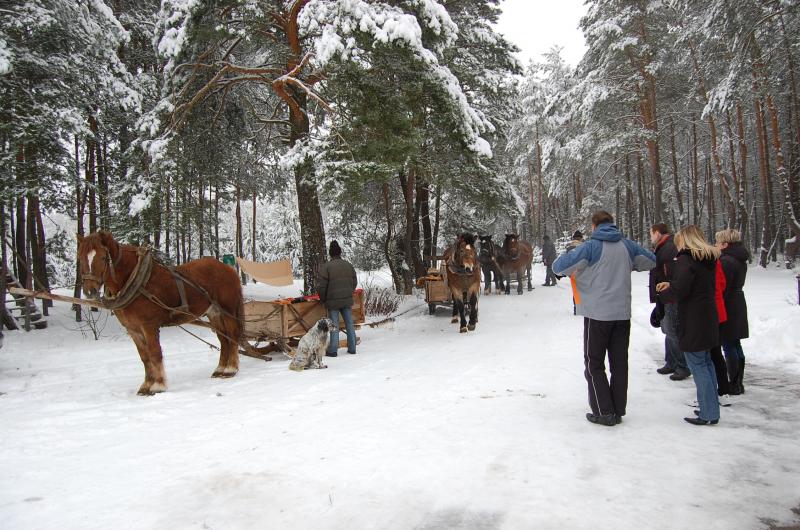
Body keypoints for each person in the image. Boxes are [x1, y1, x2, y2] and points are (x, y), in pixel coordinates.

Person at [553, 211, 656, 427]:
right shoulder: (627, 245)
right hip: (622, 313)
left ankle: (604, 411)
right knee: (619, 363)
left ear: (594, 226)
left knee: (594, 362)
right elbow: (651, 261)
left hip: (597, 314)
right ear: (612, 224)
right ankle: (618, 408)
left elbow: (559, 267)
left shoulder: (590, 247)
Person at [656, 225, 721, 426]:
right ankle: (710, 406)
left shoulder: (686, 260)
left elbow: (681, 290)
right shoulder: (707, 259)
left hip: (693, 317)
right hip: (708, 315)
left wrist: (664, 293)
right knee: (706, 362)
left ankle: (708, 412)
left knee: (698, 364)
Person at [648, 223, 690, 381]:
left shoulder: (670, 246)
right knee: (667, 329)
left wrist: (670, 288)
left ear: (657, 233)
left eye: (651, 234)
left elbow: (674, 271)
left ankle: (682, 365)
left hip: (671, 295)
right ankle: (671, 361)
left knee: (672, 330)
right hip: (663, 295)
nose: (650, 237)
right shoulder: (662, 246)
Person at [716, 229, 750, 395]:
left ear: (725, 244)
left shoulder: (727, 260)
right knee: (735, 343)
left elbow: (723, 286)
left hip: (729, 303)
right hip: (737, 301)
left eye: (718, 242)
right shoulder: (739, 258)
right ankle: (738, 382)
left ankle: (734, 382)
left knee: (729, 343)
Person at [316, 240, 358, 357]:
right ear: (340, 253)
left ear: (330, 254)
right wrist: (349, 292)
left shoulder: (326, 267)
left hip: (332, 301)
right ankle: (352, 347)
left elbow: (321, 286)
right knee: (349, 323)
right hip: (346, 300)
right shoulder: (348, 265)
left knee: (334, 325)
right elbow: (354, 281)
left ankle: (333, 350)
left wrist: (323, 299)